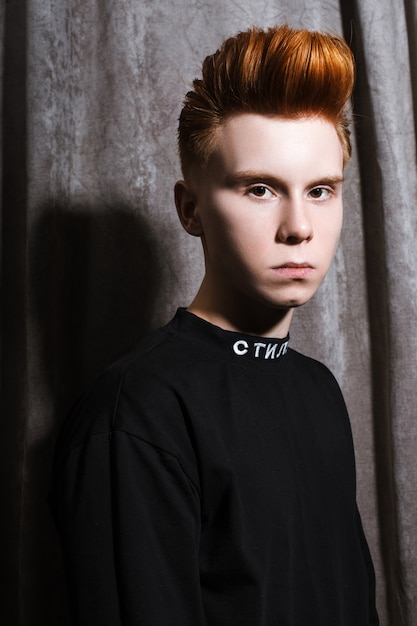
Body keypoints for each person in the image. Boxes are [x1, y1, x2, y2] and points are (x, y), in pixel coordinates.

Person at [50, 25, 379, 625]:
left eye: (322, 190)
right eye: (260, 188)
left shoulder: (319, 390)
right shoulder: (138, 412)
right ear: (190, 208)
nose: (299, 226)